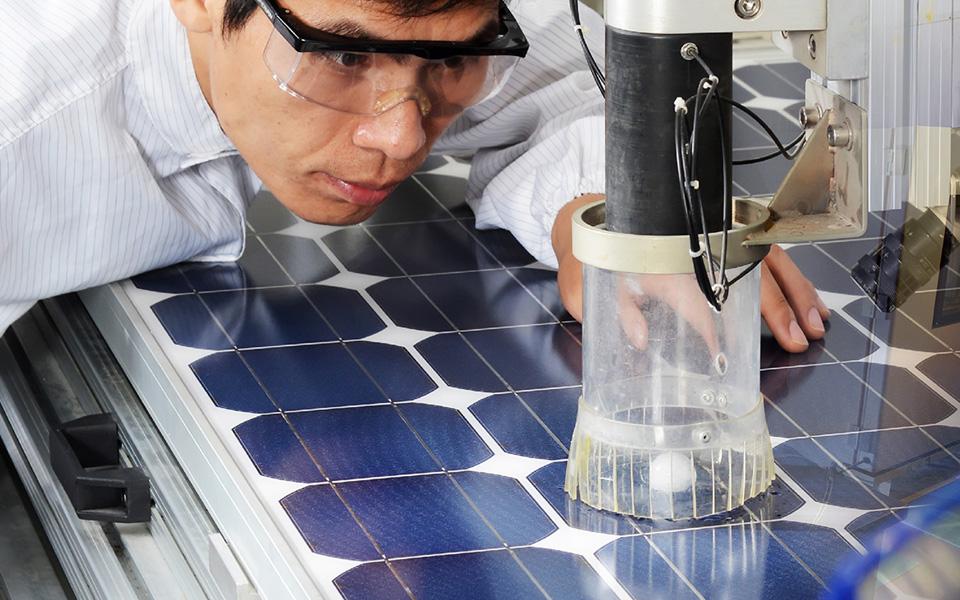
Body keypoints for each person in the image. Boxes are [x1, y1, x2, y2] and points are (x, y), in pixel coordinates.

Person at [0, 0, 829, 351]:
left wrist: (607, 214)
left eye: (451, 62)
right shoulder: (24, 122)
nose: (401, 137)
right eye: (344, 55)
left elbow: (563, 87)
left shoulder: (435, 13)